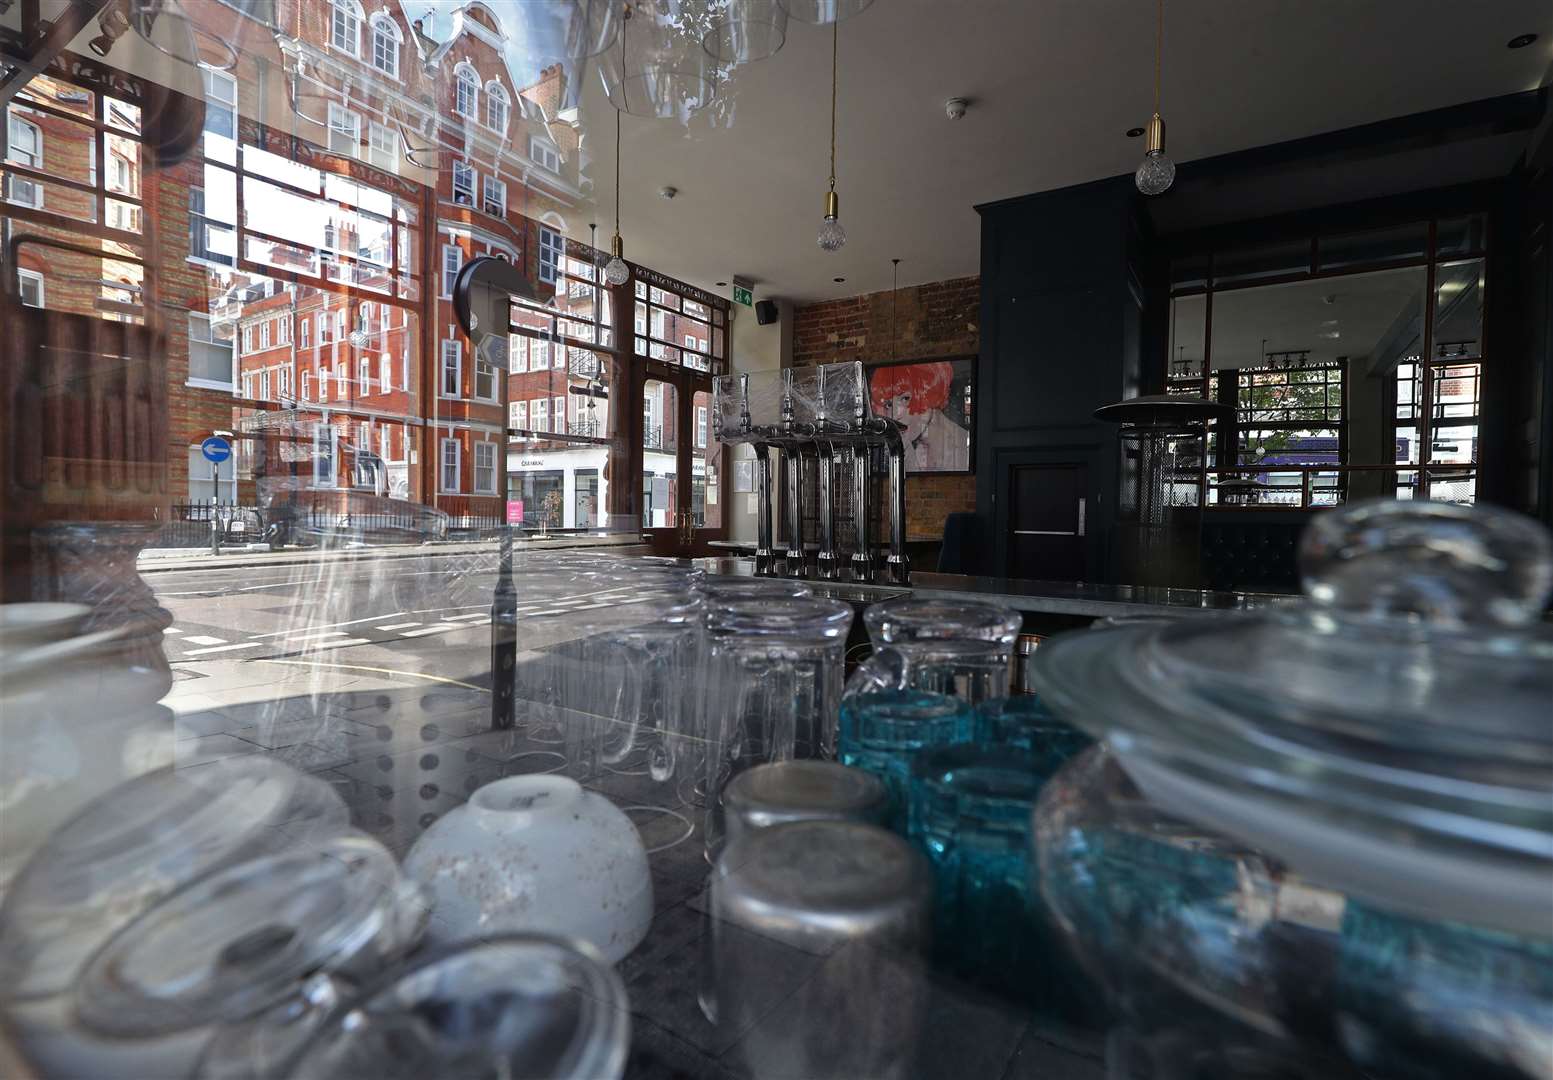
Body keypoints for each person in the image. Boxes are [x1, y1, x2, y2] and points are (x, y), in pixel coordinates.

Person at [868, 362, 970, 472]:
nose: (895, 414)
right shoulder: (911, 449)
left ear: (927, 393)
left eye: (905, 398)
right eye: (888, 405)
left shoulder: (964, 444)